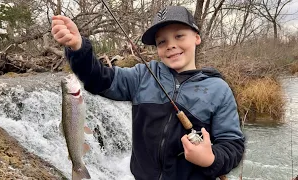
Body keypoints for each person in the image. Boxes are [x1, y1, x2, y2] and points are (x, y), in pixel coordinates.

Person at [51, 5, 245, 180]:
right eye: (161, 42)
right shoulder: (142, 76)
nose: (170, 45)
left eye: (179, 36)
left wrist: (210, 159)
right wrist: (77, 48)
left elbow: (233, 146)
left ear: (196, 37)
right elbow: (99, 79)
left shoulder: (218, 90)